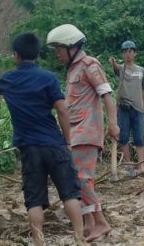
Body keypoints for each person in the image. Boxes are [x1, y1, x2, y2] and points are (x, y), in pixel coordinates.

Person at [0, 33, 84, 246]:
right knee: (69, 193)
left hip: (28, 147)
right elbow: (62, 110)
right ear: (37, 54)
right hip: (54, 144)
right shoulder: (48, 78)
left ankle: (39, 241)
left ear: (15, 55)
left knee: (34, 199)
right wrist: (68, 140)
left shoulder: (7, 79)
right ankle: (79, 238)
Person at [46, 24, 120, 242]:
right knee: (80, 179)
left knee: (81, 179)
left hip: (87, 131)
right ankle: (89, 224)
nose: (57, 54)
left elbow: (107, 95)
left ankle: (101, 223)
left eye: (59, 49)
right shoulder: (73, 69)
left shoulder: (90, 65)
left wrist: (113, 124)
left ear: (71, 46)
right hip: (76, 131)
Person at [109, 40, 144, 175]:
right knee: (124, 136)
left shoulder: (141, 70)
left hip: (138, 108)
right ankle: (129, 165)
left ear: (135, 53)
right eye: (125, 52)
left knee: (139, 137)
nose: (127, 54)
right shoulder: (120, 68)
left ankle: (142, 166)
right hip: (124, 107)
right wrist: (113, 62)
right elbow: (114, 68)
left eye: (130, 51)